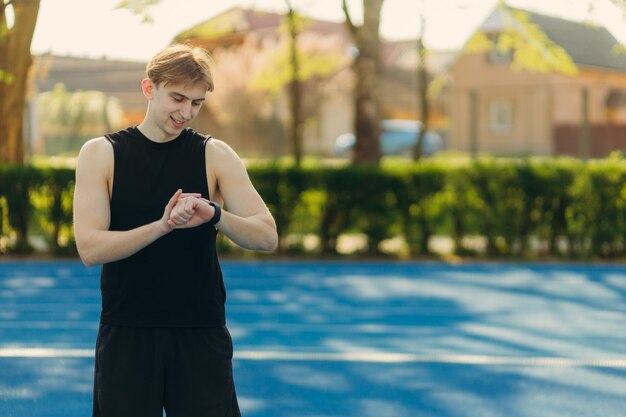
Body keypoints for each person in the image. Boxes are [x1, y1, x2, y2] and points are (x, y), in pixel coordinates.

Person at [73, 43, 278, 417]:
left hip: (200, 330)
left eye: (197, 103)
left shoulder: (215, 155)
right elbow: (90, 248)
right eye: (178, 98)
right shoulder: (101, 154)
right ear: (149, 88)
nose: (186, 112)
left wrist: (216, 214)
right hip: (128, 332)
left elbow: (267, 236)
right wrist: (162, 226)